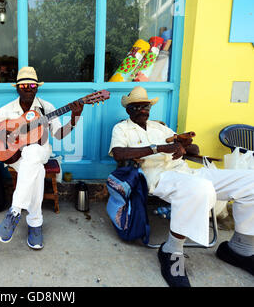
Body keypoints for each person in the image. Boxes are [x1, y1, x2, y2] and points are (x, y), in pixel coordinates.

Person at [108, 86, 254, 286]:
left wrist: (184, 145)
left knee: (250, 180)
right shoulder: (122, 128)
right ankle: (172, 251)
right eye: (137, 106)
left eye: (146, 105)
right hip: (160, 177)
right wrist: (158, 148)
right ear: (128, 110)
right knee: (199, 188)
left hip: (188, 172)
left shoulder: (160, 127)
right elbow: (118, 153)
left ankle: (240, 248)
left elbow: (193, 150)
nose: (143, 109)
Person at [0, 66, 84, 250]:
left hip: (40, 151)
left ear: (37, 87)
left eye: (31, 84)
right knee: (35, 171)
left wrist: (74, 118)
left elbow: (59, 135)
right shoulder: (6, 110)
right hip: (14, 156)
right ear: (17, 88)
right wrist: (6, 136)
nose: (28, 88)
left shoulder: (47, 109)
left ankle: (14, 213)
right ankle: (35, 225)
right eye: (23, 85)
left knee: (34, 151)